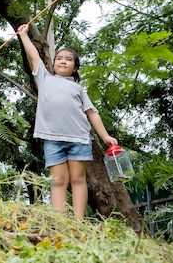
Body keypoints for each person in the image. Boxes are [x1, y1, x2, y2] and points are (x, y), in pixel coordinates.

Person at [17, 23, 117, 218]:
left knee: (78, 180)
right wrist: (23, 36)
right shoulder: (45, 78)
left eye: (69, 59)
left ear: (75, 67)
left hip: (78, 138)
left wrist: (105, 136)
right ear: (53, 64)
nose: (63, 61)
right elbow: (33, 55)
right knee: (59, 180)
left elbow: (92, 113)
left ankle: (78, 222)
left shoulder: (79, 89)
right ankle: (60, 222)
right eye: (59, 58)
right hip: (52, 138)